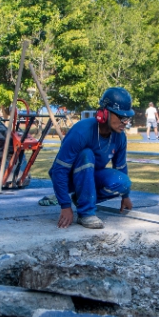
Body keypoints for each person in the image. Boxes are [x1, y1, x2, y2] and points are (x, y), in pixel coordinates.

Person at [49, 87, 134, 229]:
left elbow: (120, 167)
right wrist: (65, 205)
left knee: (123, 182)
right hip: (70, 178)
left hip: (91, 177)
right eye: (121, 117)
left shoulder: (120, 137)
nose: (125, 122)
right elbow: (59, 170)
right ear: (104, 114)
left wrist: (125, 196)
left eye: (128, 118)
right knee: (86, 155)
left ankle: (81, 199)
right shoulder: (82, 132)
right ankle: (86, 213)